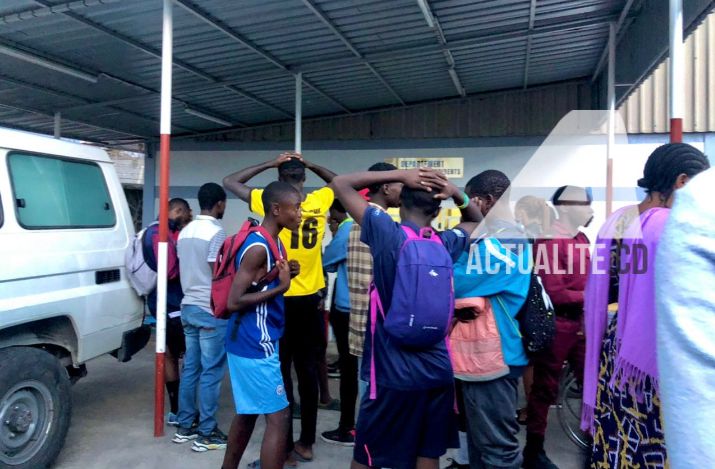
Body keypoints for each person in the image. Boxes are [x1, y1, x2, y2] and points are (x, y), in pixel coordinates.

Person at [331, 167, 482, 469]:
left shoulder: (388, 235)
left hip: (392, 372)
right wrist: (455, 192)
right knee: (427, 451)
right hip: (437, 370)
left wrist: (402, 174)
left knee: (368, 454)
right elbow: (476, 220)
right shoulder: (445, 242)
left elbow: (340, 183)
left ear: (400, 204)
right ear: (437, 211)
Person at [582, 143, 710, 468]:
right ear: (682, 181)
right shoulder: (668, 225)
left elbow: (603, 287)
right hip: (654, 353)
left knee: (619, 434)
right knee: (654, 442)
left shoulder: (617, 221)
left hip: (616, 349)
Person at [223, 152, 336, 462]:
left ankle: (284, 449)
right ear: (303, 179)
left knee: (282, 370)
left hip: (279, 298)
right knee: (308, 371)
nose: (298, 213)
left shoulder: (268, 201)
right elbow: (339, 182)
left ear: (279, 178)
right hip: (307, 299)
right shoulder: (319, 200)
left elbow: (230, 181)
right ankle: (306, 442)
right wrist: (313, 164)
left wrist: (269, 163)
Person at [449, 171, 529, 469]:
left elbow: (455, 280)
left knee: (497, 451)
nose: (467, 211)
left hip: (495, 358)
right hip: (480, 357)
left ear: (486, 201)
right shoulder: (493, 237)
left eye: (469, 203)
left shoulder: (507, 240)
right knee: (480, 445)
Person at [221, 181, 302, 469]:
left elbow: (259, 282)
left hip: (250, 339)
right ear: (276, 209)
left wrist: (284, 275)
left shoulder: (274, 241)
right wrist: (281, 287)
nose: (300, 214)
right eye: (296, 208)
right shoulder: (258, 247)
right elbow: (234, 301)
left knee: (248, 412)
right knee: (279, 417)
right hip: (255, 342)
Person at [523, 186, 593, 469]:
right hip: (558, 324)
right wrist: (591, 296)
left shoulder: (582, 239)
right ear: (564, 207)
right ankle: (533, 452)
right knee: (545, 389)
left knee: (592, 385)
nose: (590, 210)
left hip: (582, 324)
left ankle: (596, 444)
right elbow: (554, 292)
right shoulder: (549, 241)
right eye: (583, 204)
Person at [656, 167, 715, 469]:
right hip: (652, 357)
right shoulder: (694, 211)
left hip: (637, 348)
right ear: (680, 181)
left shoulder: (626, 224)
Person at [172, 182, 229, 452]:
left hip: (188, 307)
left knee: (191, 369)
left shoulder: (185, 232)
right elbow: (217, 271)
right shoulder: (216, 232)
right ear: (219, 204)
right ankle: (207, 432)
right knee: (211, 371)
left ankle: (185, 425)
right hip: (209, 310)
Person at [346, 162, 402, 403]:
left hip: (363, 320)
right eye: (401, 185)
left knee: (369, 392)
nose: (404, 191)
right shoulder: (376, 222)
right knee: (374, 396)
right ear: (386, 187)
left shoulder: (361, 219)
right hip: (375, 324)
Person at [144, 198, 193, 425]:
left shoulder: (157, 231)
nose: (189, 217)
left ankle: (178, 409)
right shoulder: (158, 233)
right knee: (178, 355)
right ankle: (179, 410)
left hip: (164, 301)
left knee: (173, 355)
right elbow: (170, 270)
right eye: (187, 213)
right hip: (170, 303)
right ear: (178, 211)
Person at [513, 195, 553, 427]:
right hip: (547, 300)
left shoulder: (528, 235)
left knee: (530, 360)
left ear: (523, 211)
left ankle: (531, 408)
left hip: (531, 300)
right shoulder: (546, 233)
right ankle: (533, 406)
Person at [320, 200, 356, 446]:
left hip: (347, 307)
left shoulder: (347, 229)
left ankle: (347, 428)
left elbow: (327, 262)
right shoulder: (370, 225)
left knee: (349, 371)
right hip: (368, 306)